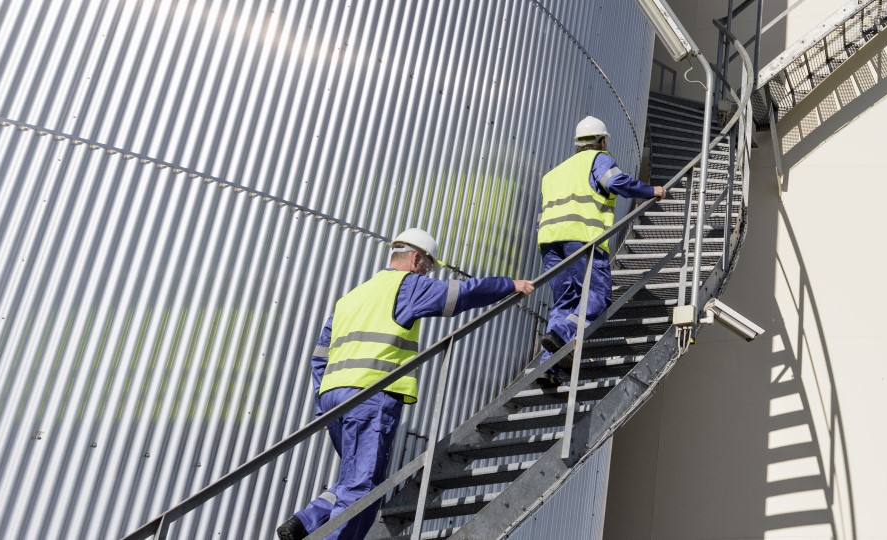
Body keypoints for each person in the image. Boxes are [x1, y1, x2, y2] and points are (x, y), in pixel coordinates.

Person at [278, 228, 536, 540]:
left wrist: (322, 409)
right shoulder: (407, 286)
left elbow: (319, 356)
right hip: (370, 396)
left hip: (335, 400)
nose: (429, 273)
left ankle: (307, 520)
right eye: (429, 266)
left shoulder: (352, 297)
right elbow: (462, 294)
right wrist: (509, 285)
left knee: (355, 476)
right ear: (416, 259)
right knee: (363, 490)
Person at [536, 115, 663, 375]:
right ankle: (562, 333)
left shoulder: (554, 173)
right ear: (602, 141)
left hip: (550, 243)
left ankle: (548, 368)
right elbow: (615, 182)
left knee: (564, 302)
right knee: (596, 296)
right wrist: (651, 192)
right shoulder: (598, 159)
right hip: (582, 239)